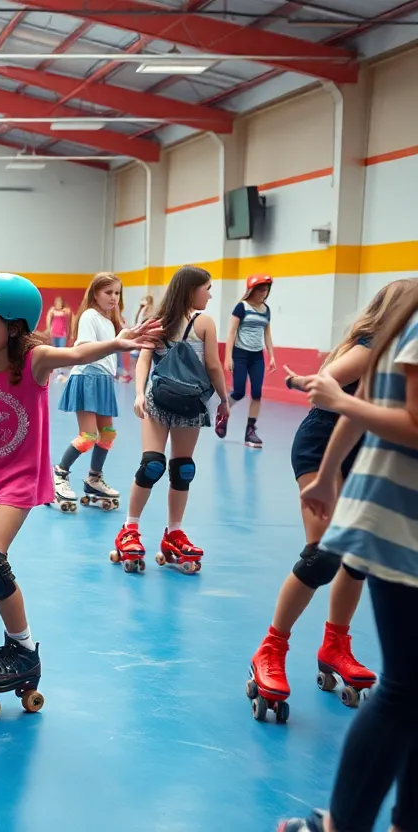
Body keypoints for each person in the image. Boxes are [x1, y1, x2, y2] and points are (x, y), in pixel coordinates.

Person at [0, 273, 159, 717]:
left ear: (15, 327)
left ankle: (21, 649)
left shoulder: (35, 360)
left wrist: (118, 344)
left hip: (21, 477)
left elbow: (76, 352)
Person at [279, 283, 418, 832]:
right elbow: (373, 410)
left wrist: (334, 472)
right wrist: (332, 448)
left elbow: (361, 410)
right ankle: (274, 645)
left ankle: (334, 642)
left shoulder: (398, 322)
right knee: (406, 688)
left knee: (411, 688)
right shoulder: (393, 327)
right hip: (397, 516)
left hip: (376, 494)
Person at [248, 282, 417, 724]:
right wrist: (310, 382)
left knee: (354, 556)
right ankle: (271, 648)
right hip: (321, 443)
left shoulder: (398, 353)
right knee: (322, 555)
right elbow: (337, 382)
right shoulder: (372, 345)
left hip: (358, 446)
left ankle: (336, 644)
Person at [111, 265, 230, 574]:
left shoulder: (204, 322)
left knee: (183, 469)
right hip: (158, 402)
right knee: (152, 463)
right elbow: (144, 360)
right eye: (207, 287)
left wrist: (224, 397)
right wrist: (138, 393)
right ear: (192, 290)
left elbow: (214, 366)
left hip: (189, 405)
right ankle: (130, 527)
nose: (210, 293)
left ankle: (173, 532)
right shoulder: (158, 323)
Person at [51, 272, 124, 512]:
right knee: (89, 436)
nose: (114, 297)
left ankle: (94, 479)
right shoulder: (90, 316)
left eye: (117, 293)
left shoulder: (109, 319)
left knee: (108, 434)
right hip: (89, 377)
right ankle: (59, 474)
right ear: (95, 293)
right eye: (108, 292)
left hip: (104, 380)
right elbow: (84, 347)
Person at [217, 274, 276, 448]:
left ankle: (250, 431)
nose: (263, 294)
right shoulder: (241, 307)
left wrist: (271, 355)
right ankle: (222, 413)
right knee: (239, 391)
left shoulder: (266, 310)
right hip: (240, 354)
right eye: (260, 290)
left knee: (257, 393)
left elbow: (267, 333)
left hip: (257, 356)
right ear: (252, 290)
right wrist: (228, 357)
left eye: (265, 290)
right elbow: (231, 332)